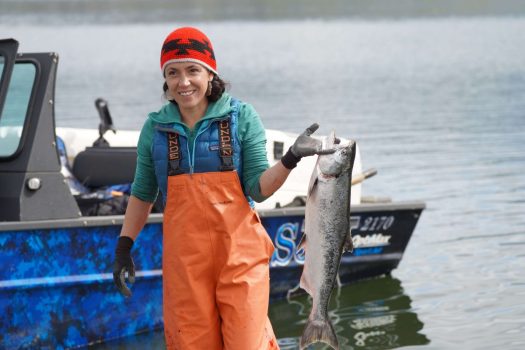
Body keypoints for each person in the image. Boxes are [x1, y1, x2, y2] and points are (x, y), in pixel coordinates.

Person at [112, 26, 333, 350]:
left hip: (240, 262)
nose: (183, 82)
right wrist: (123, 247)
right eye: (173, 73)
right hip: (185, 268)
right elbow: (143, 193)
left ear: (210, 73)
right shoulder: (154, 128)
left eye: (192, 70)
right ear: (165, 80)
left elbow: (258, 189)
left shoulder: (242, 117)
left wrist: (290, 158)